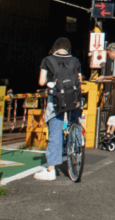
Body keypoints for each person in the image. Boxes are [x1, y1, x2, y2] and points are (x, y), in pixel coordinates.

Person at [35, 37, 84, 181]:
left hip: (56, 101)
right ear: (68, 48)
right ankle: (75, 144)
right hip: (74, 99)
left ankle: (51, 170)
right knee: (73, 123)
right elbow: (79, 80)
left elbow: (41, 81)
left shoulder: (47, 60)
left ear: (55, 47)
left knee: (55, 133)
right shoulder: (75, 61)